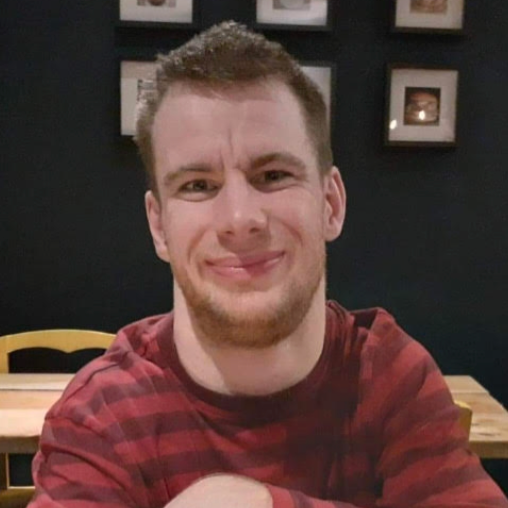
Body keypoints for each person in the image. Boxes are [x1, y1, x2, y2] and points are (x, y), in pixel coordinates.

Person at [29, 21, 507, 508]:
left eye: (273, 174)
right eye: (197, 185)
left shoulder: (386, 376)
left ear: (331, 203)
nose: (240, 219)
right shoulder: (103, 412)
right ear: (158, 226)